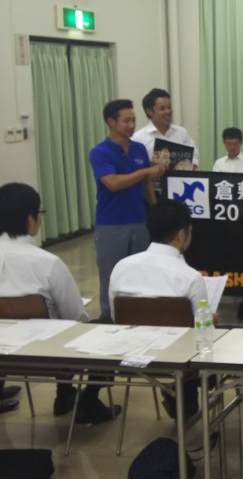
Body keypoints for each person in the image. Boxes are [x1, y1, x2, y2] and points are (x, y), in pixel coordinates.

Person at [109, 199, 210, 420]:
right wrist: (211, 319)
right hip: (181, 360)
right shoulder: (191, 278)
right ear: (182, 234)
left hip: (131, 355)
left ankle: (180, 401)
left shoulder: (121, 267)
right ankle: (191, 405)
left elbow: (116, 317)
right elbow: (202, 331)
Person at [0, 183, 92, 418]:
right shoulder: (47, 262)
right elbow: (76, 316)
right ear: (30, 220)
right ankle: (66, 394)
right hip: (47, 354)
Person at [90, 99, 164, 322]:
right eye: (126, 121)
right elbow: (113, 183)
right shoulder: (99, 152)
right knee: (111, 275)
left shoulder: (138, 148)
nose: (132, 125)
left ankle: (140, 315)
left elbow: (147, 184)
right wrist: (145, 172)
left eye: (134, 120)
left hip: (139, 221)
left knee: (140, 273)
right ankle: (108, 317)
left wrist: (156, 209)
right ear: (111, 122)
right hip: (111, 224)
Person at [132, 88, 199, 169]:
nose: (168, 112)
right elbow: (136, 165)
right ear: (149, 111)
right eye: (162, 108)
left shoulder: (182, 132)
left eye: (169, 107)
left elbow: (194, 157)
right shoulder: (138, 138)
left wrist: (187, 167)